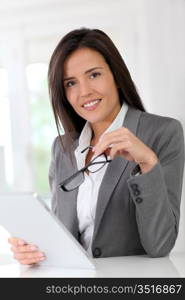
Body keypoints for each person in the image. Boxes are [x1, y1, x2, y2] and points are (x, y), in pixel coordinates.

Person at [9, 28, 184, 265]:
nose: (84, 92)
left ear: (116, 76)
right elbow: (64, 237)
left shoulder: (163, 133)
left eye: (94, 75)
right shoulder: (62, 148)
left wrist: (147, 164)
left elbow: (160, 244)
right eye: (71, 83)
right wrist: (34, 251)